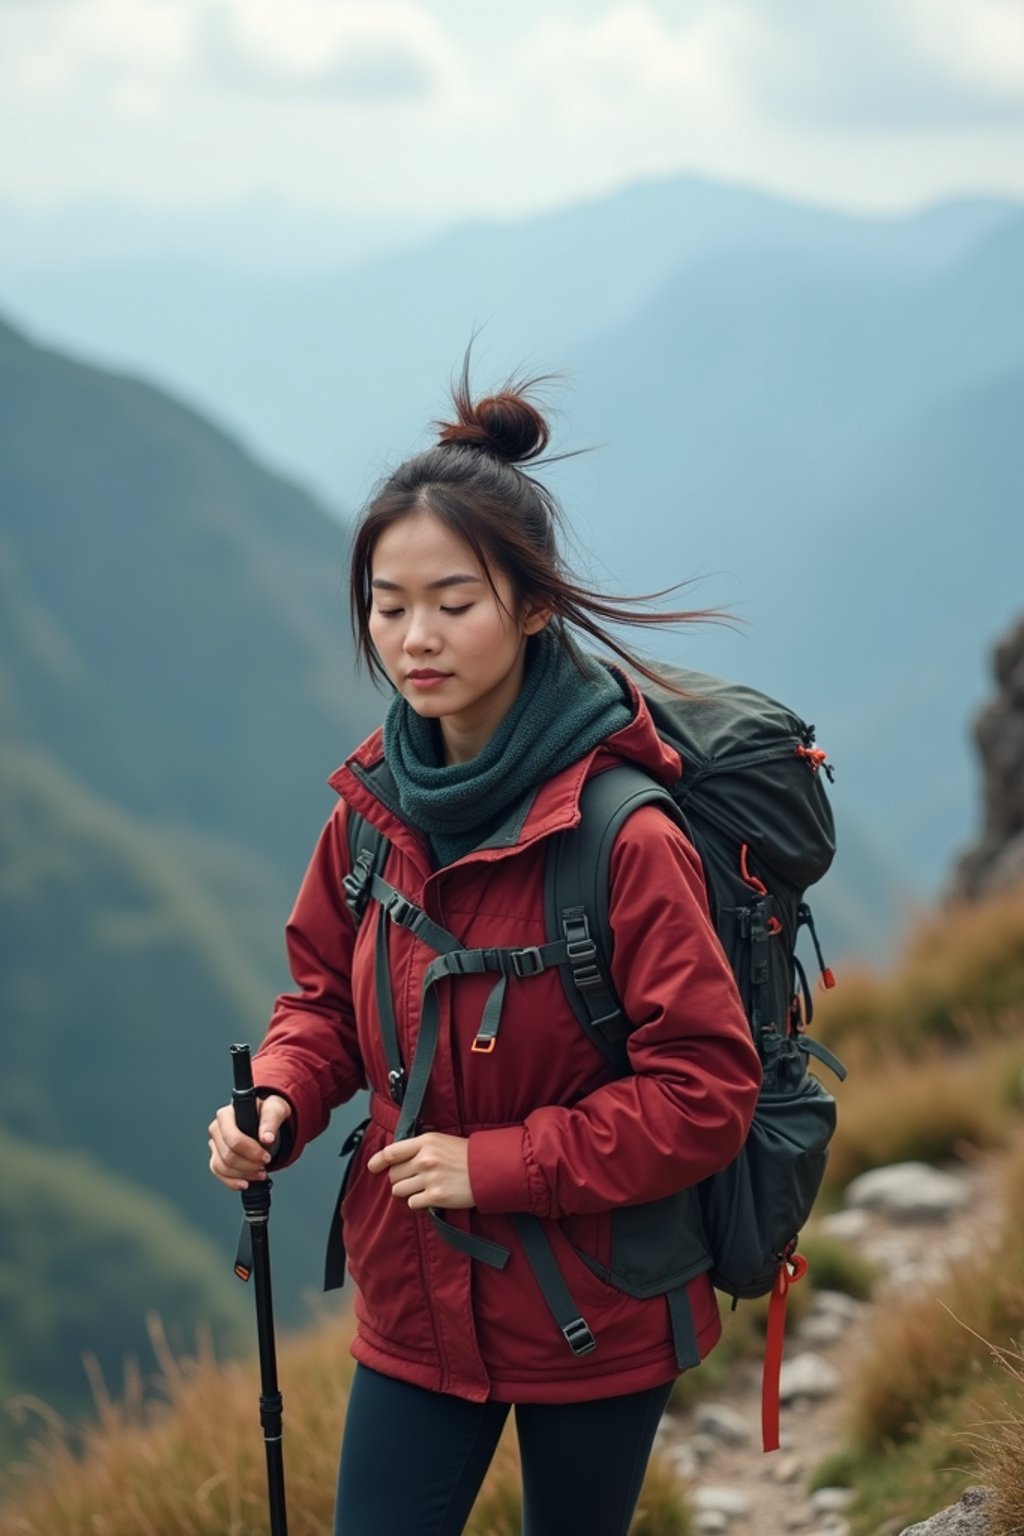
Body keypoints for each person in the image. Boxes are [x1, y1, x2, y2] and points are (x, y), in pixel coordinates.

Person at [208, 368, 762, 1536]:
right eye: (387, 602)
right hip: (416, 1303)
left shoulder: (623, 834)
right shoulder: (369, 810)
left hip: (599, 1313)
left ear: (529, 607)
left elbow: (706, 1092)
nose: (413, 638)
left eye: (452, 603)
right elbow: (321, 997)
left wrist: (494, 1166)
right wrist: (279, 1103)